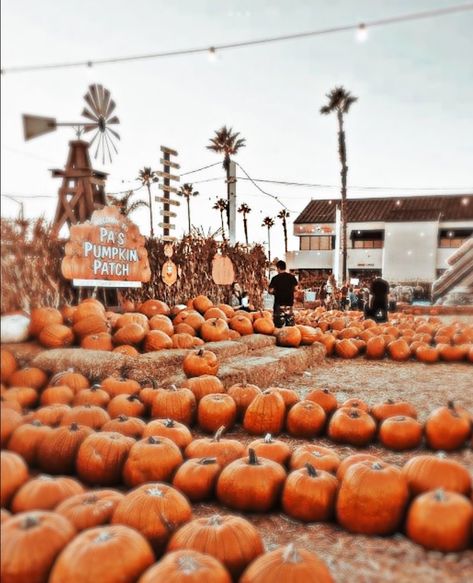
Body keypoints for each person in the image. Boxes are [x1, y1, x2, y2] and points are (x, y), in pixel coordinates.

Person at [268, 260, 298, 328]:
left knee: (278, 325)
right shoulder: (292, 277)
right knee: (290, 325)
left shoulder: (275, 278)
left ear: (278, 268)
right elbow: (296, 289)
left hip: (279, 304)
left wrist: (275, 292)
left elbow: (270, 291)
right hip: (289, 303)